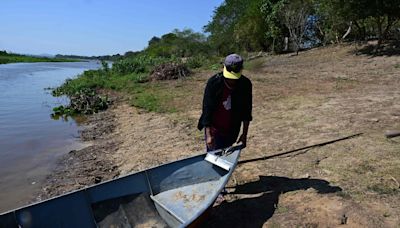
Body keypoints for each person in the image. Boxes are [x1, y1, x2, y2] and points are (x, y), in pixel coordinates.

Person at [198, 54, 252, 151]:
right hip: (215, 129)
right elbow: (207, 109)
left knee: (227, 155)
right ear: (223, 67)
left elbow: (246, 111)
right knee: (214, 157)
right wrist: (209, 135)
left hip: (232, 128)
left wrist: (244, 134)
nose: (231, 80)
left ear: (241, 69)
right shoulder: (214, 83)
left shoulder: (245, 84)